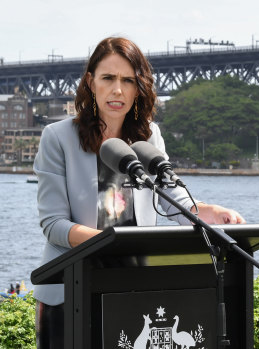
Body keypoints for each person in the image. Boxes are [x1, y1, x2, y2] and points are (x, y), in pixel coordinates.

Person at [33, 36, 246, 348]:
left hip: (134, 286)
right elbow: (54, 226)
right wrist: (112, 243)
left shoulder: (149, 135)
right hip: (68, 292)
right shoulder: (57, 137)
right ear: (91, 82)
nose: (117, 90)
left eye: (128, 80)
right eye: (108, 78)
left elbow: (169, 198)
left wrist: (207, 211)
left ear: (139, 87)